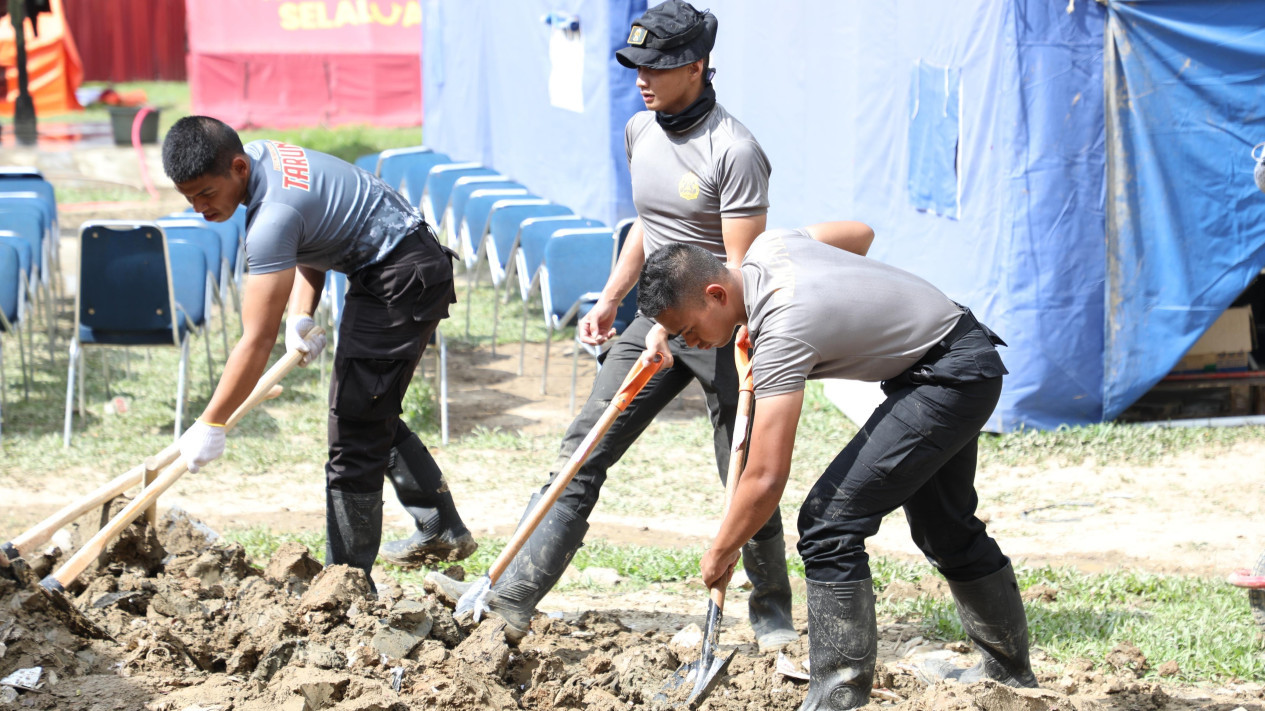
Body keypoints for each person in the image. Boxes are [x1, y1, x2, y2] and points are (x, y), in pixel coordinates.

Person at [430, 0, 798, 650]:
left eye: (654, 67)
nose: (640, 79)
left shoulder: (733, 151)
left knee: (741, 473)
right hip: (654, 322)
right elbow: (647, 228)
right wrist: (612, 295)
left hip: (724, 332)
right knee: (580, 455)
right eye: (632, 65)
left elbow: (739, 275)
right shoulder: (640, 131)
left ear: (696, 65)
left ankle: (770, 614)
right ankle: (510, 600)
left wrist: (689, 325)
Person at [635, 225, 1039, 710]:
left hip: (948, 378)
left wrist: (722, 550)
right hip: (956, 356)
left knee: (829, 524)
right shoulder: (771, 248)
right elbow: (861, 234)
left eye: (688, 331)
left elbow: (765, 477)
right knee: (944, 528)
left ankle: (835, 699)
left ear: (716, 293)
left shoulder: (783, 332)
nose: (691, 344)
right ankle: (1008, 674)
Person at [161, 116, 476, 592]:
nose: (200, 208)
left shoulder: (270, 219)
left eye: (206, 193)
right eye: (189, 198)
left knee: (353, 429)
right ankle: (440, 527)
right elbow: (311, 231)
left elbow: (255, 340)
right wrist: (302, 314)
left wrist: (211, 423)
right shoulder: (266, 157)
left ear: (238, 167)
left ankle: (345, 583)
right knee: (365, 408)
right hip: (395, 265)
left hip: (400, 278)